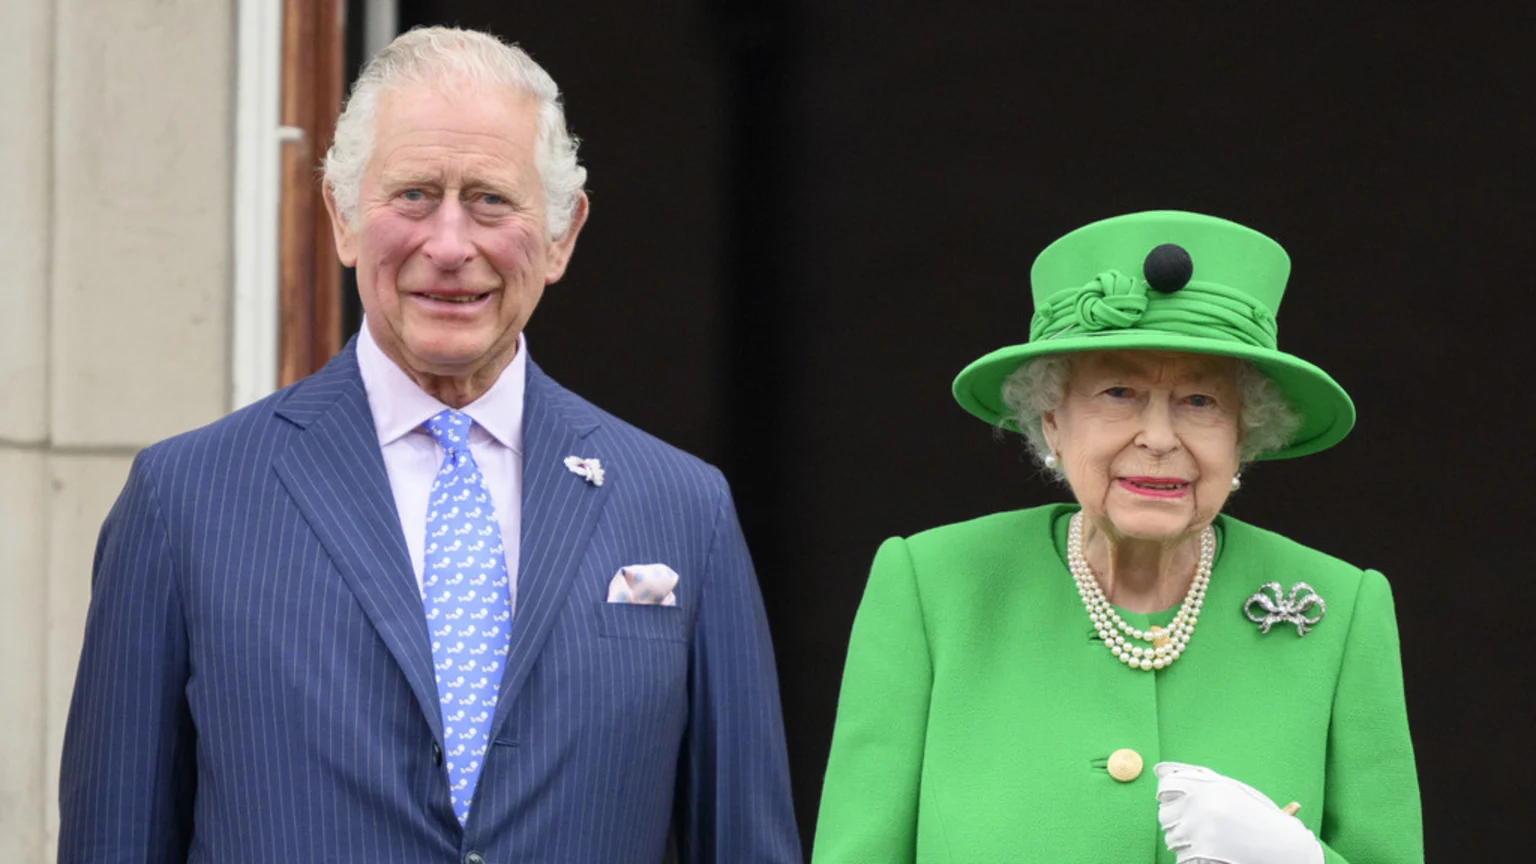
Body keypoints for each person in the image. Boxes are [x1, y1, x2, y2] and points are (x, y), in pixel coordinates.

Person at [58, 26, 800, 864]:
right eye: (412, 195)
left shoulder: (681, 509)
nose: (450, 245)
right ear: (341, 219)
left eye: (491, 199)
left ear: (562, 235)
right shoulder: (185, 501)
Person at [812, 211, 1421, 863]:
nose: (1159, 438)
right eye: (1119, 392)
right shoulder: (933, 585)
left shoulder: (1341, 609)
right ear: (1051, 422)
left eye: (1200, 402)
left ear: (1244, 435)